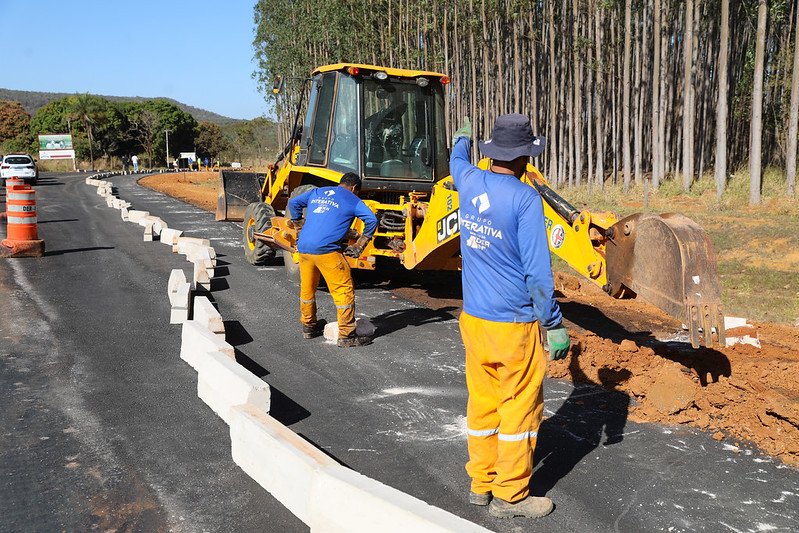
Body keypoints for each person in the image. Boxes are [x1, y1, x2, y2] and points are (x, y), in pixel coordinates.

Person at [449, 114, 571, 519]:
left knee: (482, 404)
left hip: (474, 320)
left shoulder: (467, 181)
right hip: (514, 326)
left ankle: (480, 483)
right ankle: (510, 495)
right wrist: (552, 324)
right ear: (524, 156)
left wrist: (462, 138)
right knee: (519, 408)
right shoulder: (524, 199)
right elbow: (537, 274)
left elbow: (456, 160)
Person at [287, 172, 378, 347]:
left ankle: (309, 326)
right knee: (343, 290)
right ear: (354, 188)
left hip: (304, 248)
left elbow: (294, 202)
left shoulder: (318, 192)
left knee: (307, 289)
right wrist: (360, 245)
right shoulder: (353, 199)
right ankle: (346, 336)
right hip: (327, 250)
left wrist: (299, 226)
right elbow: (372, 220)